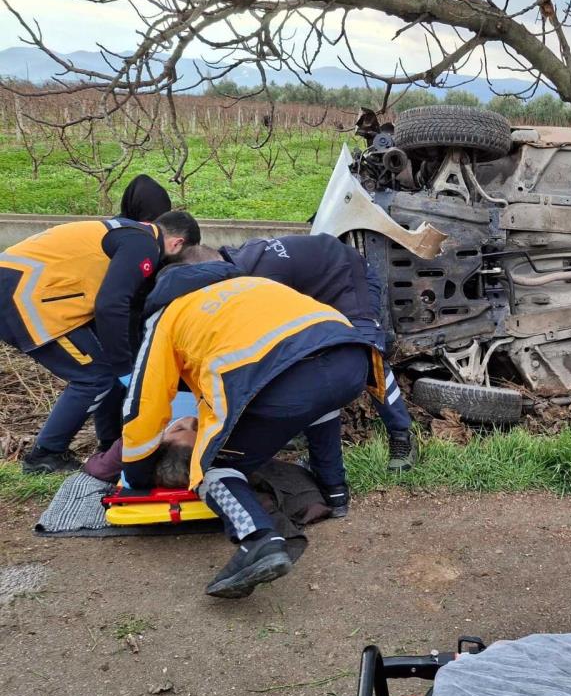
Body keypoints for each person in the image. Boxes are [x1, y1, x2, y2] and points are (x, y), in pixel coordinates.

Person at [121, 257, 384, 598]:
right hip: (352, 359)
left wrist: (137, 475)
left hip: (280, 378)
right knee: (320, 403)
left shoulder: (168, 315)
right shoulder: (250, 284)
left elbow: (143, 401)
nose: (182, 421)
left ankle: (258, 538)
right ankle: (334, 492)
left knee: (212, 466)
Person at [193, 234, 417, 473]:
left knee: (366, 353)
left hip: (348, 279)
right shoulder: (239, 264)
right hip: (315, 295)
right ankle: (316, 452)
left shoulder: (258, 278)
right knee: (301, 362)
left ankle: (401, 436)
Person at [0, 211, 201, 473]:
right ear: (177, 243)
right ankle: (44, 455)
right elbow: (110, 305)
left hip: (31, 291)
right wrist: (124, 369)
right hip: (25, 297)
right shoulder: (144, 245)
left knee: (103, 373)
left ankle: (107, 442)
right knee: (96, 377)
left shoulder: (131, 233)